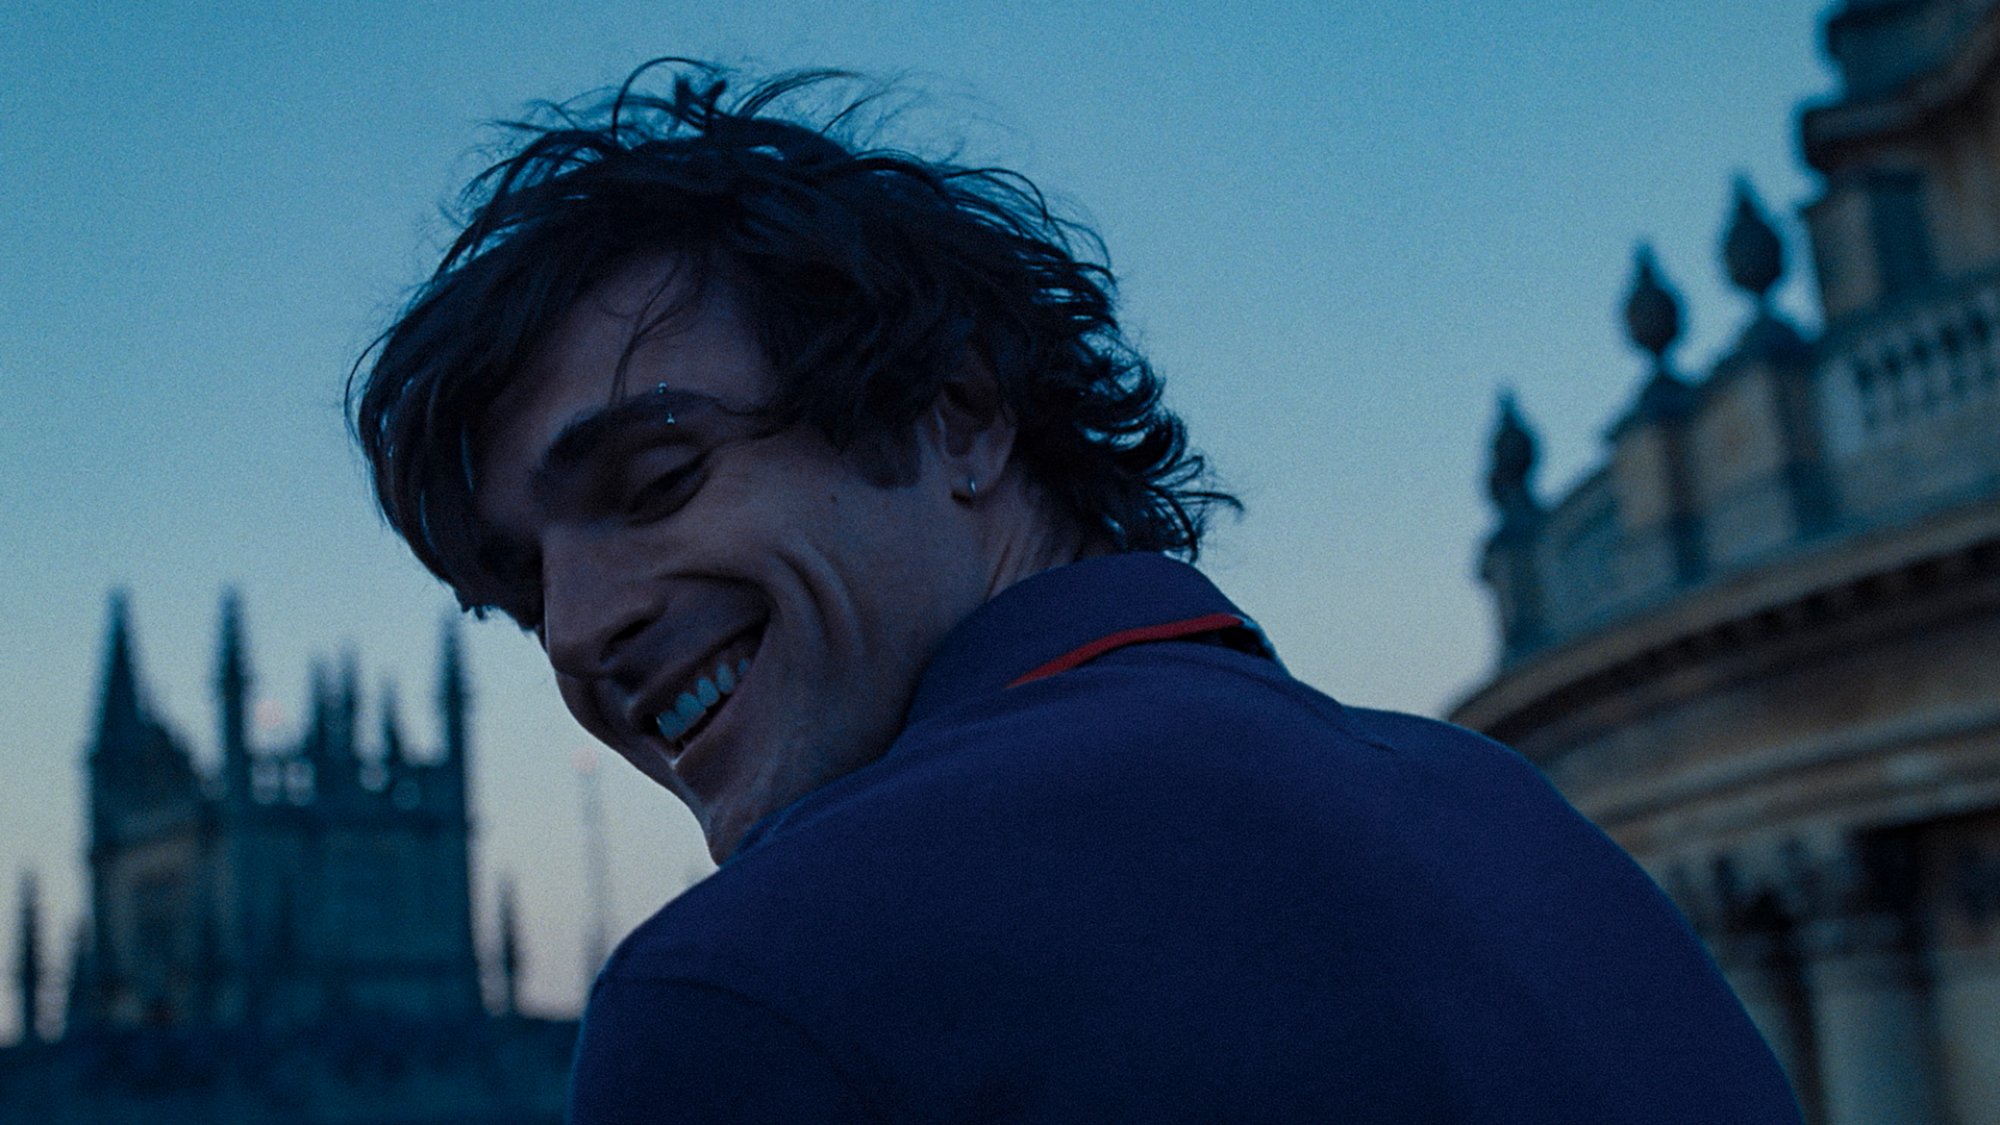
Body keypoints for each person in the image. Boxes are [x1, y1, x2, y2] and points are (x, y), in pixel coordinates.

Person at [351, 64, 1803, 1123]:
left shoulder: (754, 992)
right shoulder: (1528, 834)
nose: (584, 623)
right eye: (523, 582)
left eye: (659, 477)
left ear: (961, 411)